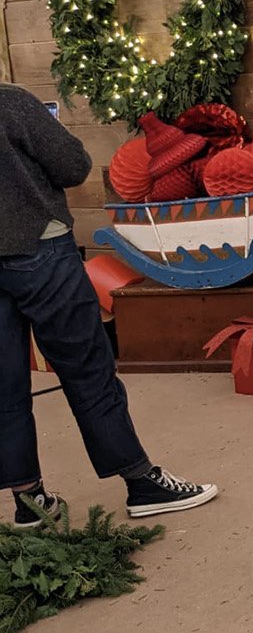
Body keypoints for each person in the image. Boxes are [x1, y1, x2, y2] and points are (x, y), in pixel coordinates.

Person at [0, 83, 218, 527]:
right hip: (39, 253)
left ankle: (28, 501)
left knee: (3, 385)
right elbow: (74, 165)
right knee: (87, 368)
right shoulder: (11, 103)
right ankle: (141, 482)